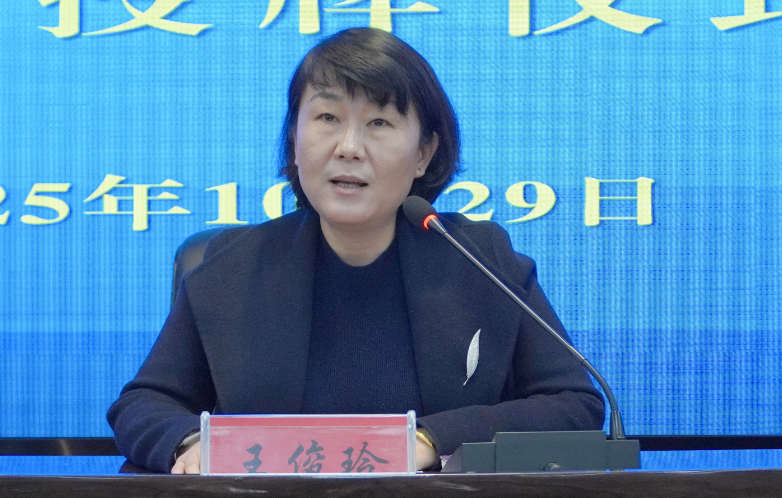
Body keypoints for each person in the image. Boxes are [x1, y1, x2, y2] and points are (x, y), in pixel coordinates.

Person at [108, 28, 604, 473]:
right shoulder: (233, 266)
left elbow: (574, 403)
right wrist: (192, 444)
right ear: (294, 139)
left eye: (379, 123)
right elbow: (144, 403)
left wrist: (431, 439)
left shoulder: (480, 261)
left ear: (423, 153)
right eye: (327, 117)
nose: (349, 146)